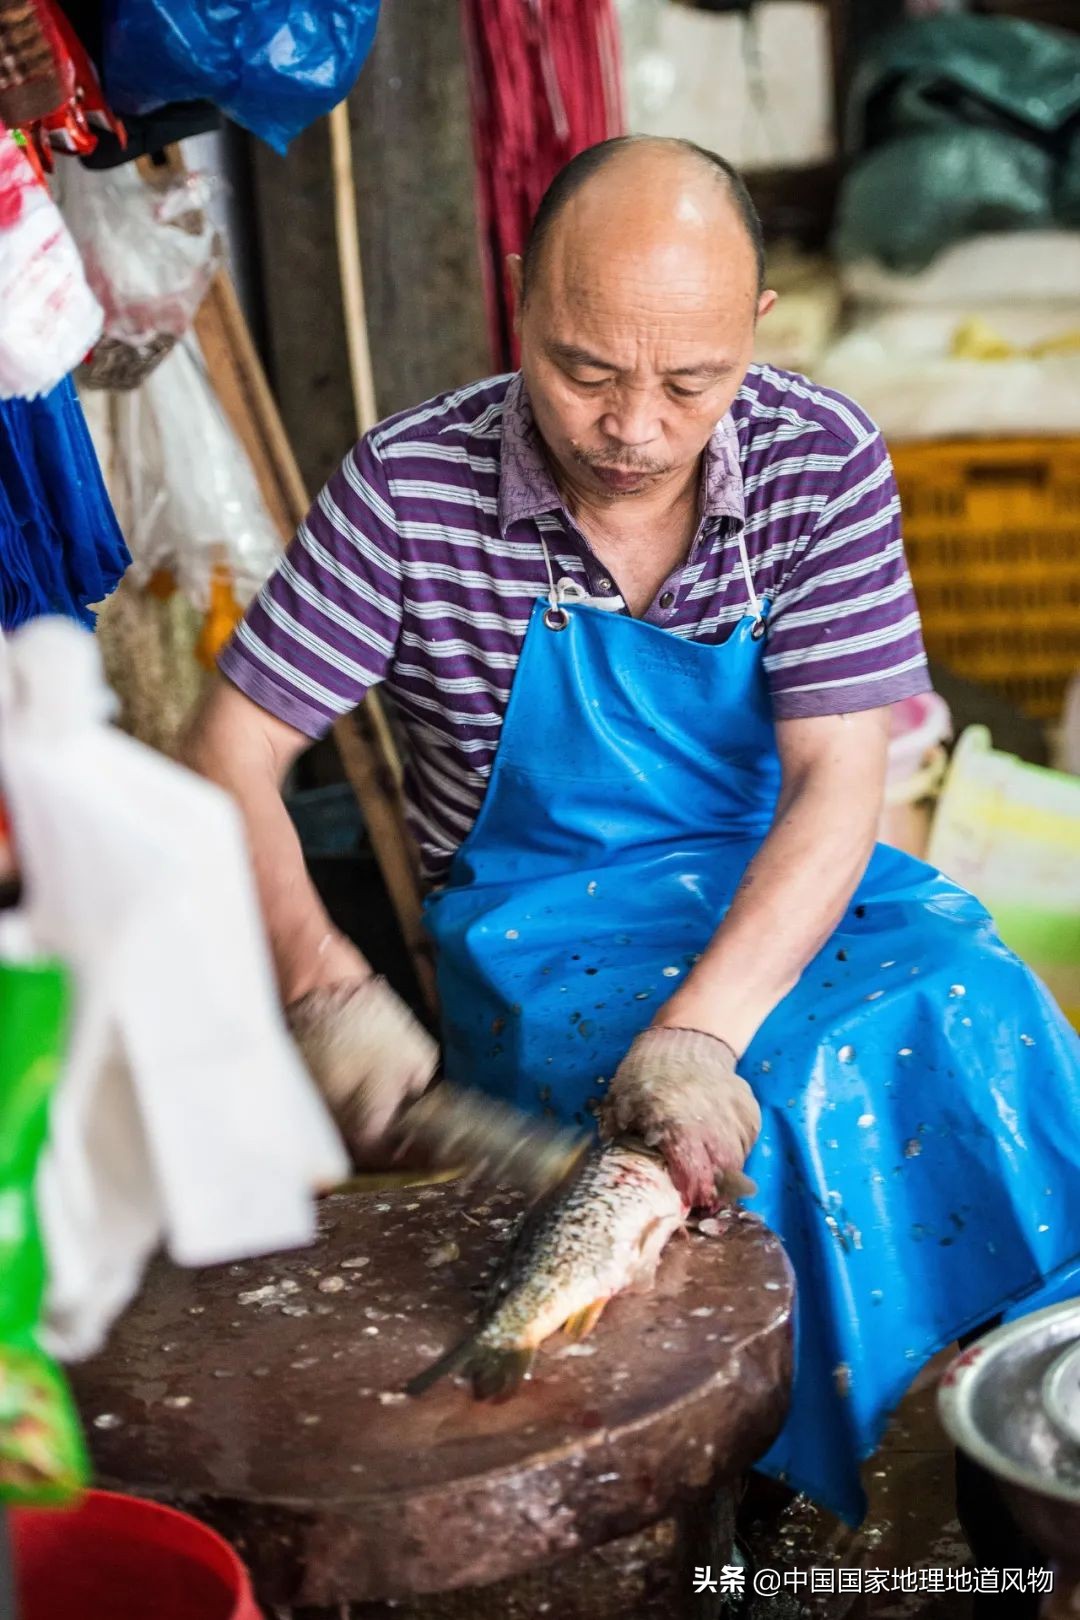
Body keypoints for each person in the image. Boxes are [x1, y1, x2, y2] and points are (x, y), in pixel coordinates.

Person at [181, 137, 1080, 1535]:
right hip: (544, 925)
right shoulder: (408, 488)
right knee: (765, 1111)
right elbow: (229, 755)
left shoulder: (818, 456)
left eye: (691, 381)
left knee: (979, 996)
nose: (637, 429)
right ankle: (742, 1490)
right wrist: (324, 985)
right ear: (520, 296)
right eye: (586, 369)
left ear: (756, 337)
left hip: (779, 882)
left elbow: (841, 779)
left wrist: (701, 1030)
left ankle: (979, 1408)